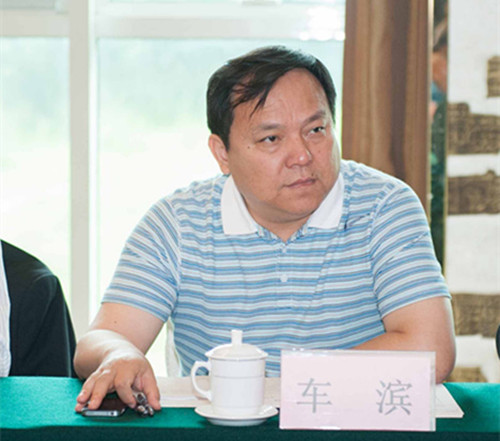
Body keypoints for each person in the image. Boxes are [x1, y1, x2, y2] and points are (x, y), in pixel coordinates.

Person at [74, 46, 456, 413]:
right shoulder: (176, 223)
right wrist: (118, 354)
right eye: (272, 138)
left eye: (316, 129)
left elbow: (431, 350)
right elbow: (99, 340)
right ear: (222, 153)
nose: (302, 155)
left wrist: (287, 385)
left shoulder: (385, 206)